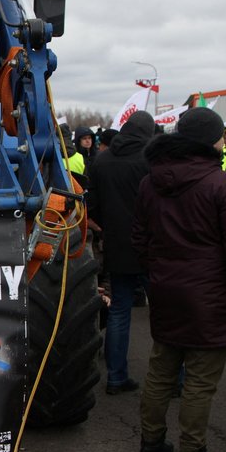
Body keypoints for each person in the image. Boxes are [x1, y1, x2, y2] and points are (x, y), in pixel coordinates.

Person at [132, 108, 226, 452]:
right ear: (212, 140)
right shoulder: (223, 185)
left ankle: (151, 443)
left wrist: (156, 272)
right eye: (221, 136)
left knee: (161, 370)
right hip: (212, 294)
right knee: (200, 381)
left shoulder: (150, 182)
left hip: (167, 288)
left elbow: (139, 238)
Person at [87, 111, 156, 394]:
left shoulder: (102, 160)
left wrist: (107, 232)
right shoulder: (152, 159)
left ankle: (116, 376)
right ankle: (174, 380)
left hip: (117, 246)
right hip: (153, 246)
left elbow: (93, 207)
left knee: (119, 312)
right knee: (166, 314)